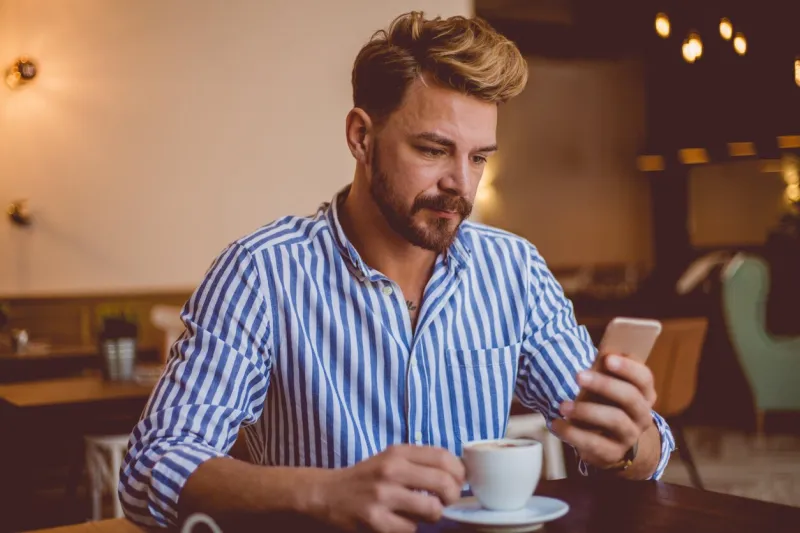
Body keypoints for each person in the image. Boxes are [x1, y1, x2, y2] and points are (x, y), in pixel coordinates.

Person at [120, 11, 674, 533]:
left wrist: (629, 442)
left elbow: (645, 451)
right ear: (361, 137)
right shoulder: (262, 273)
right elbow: (152, 465)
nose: (461, 185)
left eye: (478, 157)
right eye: (433, 150)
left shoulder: (514, 271)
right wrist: (326, 492)